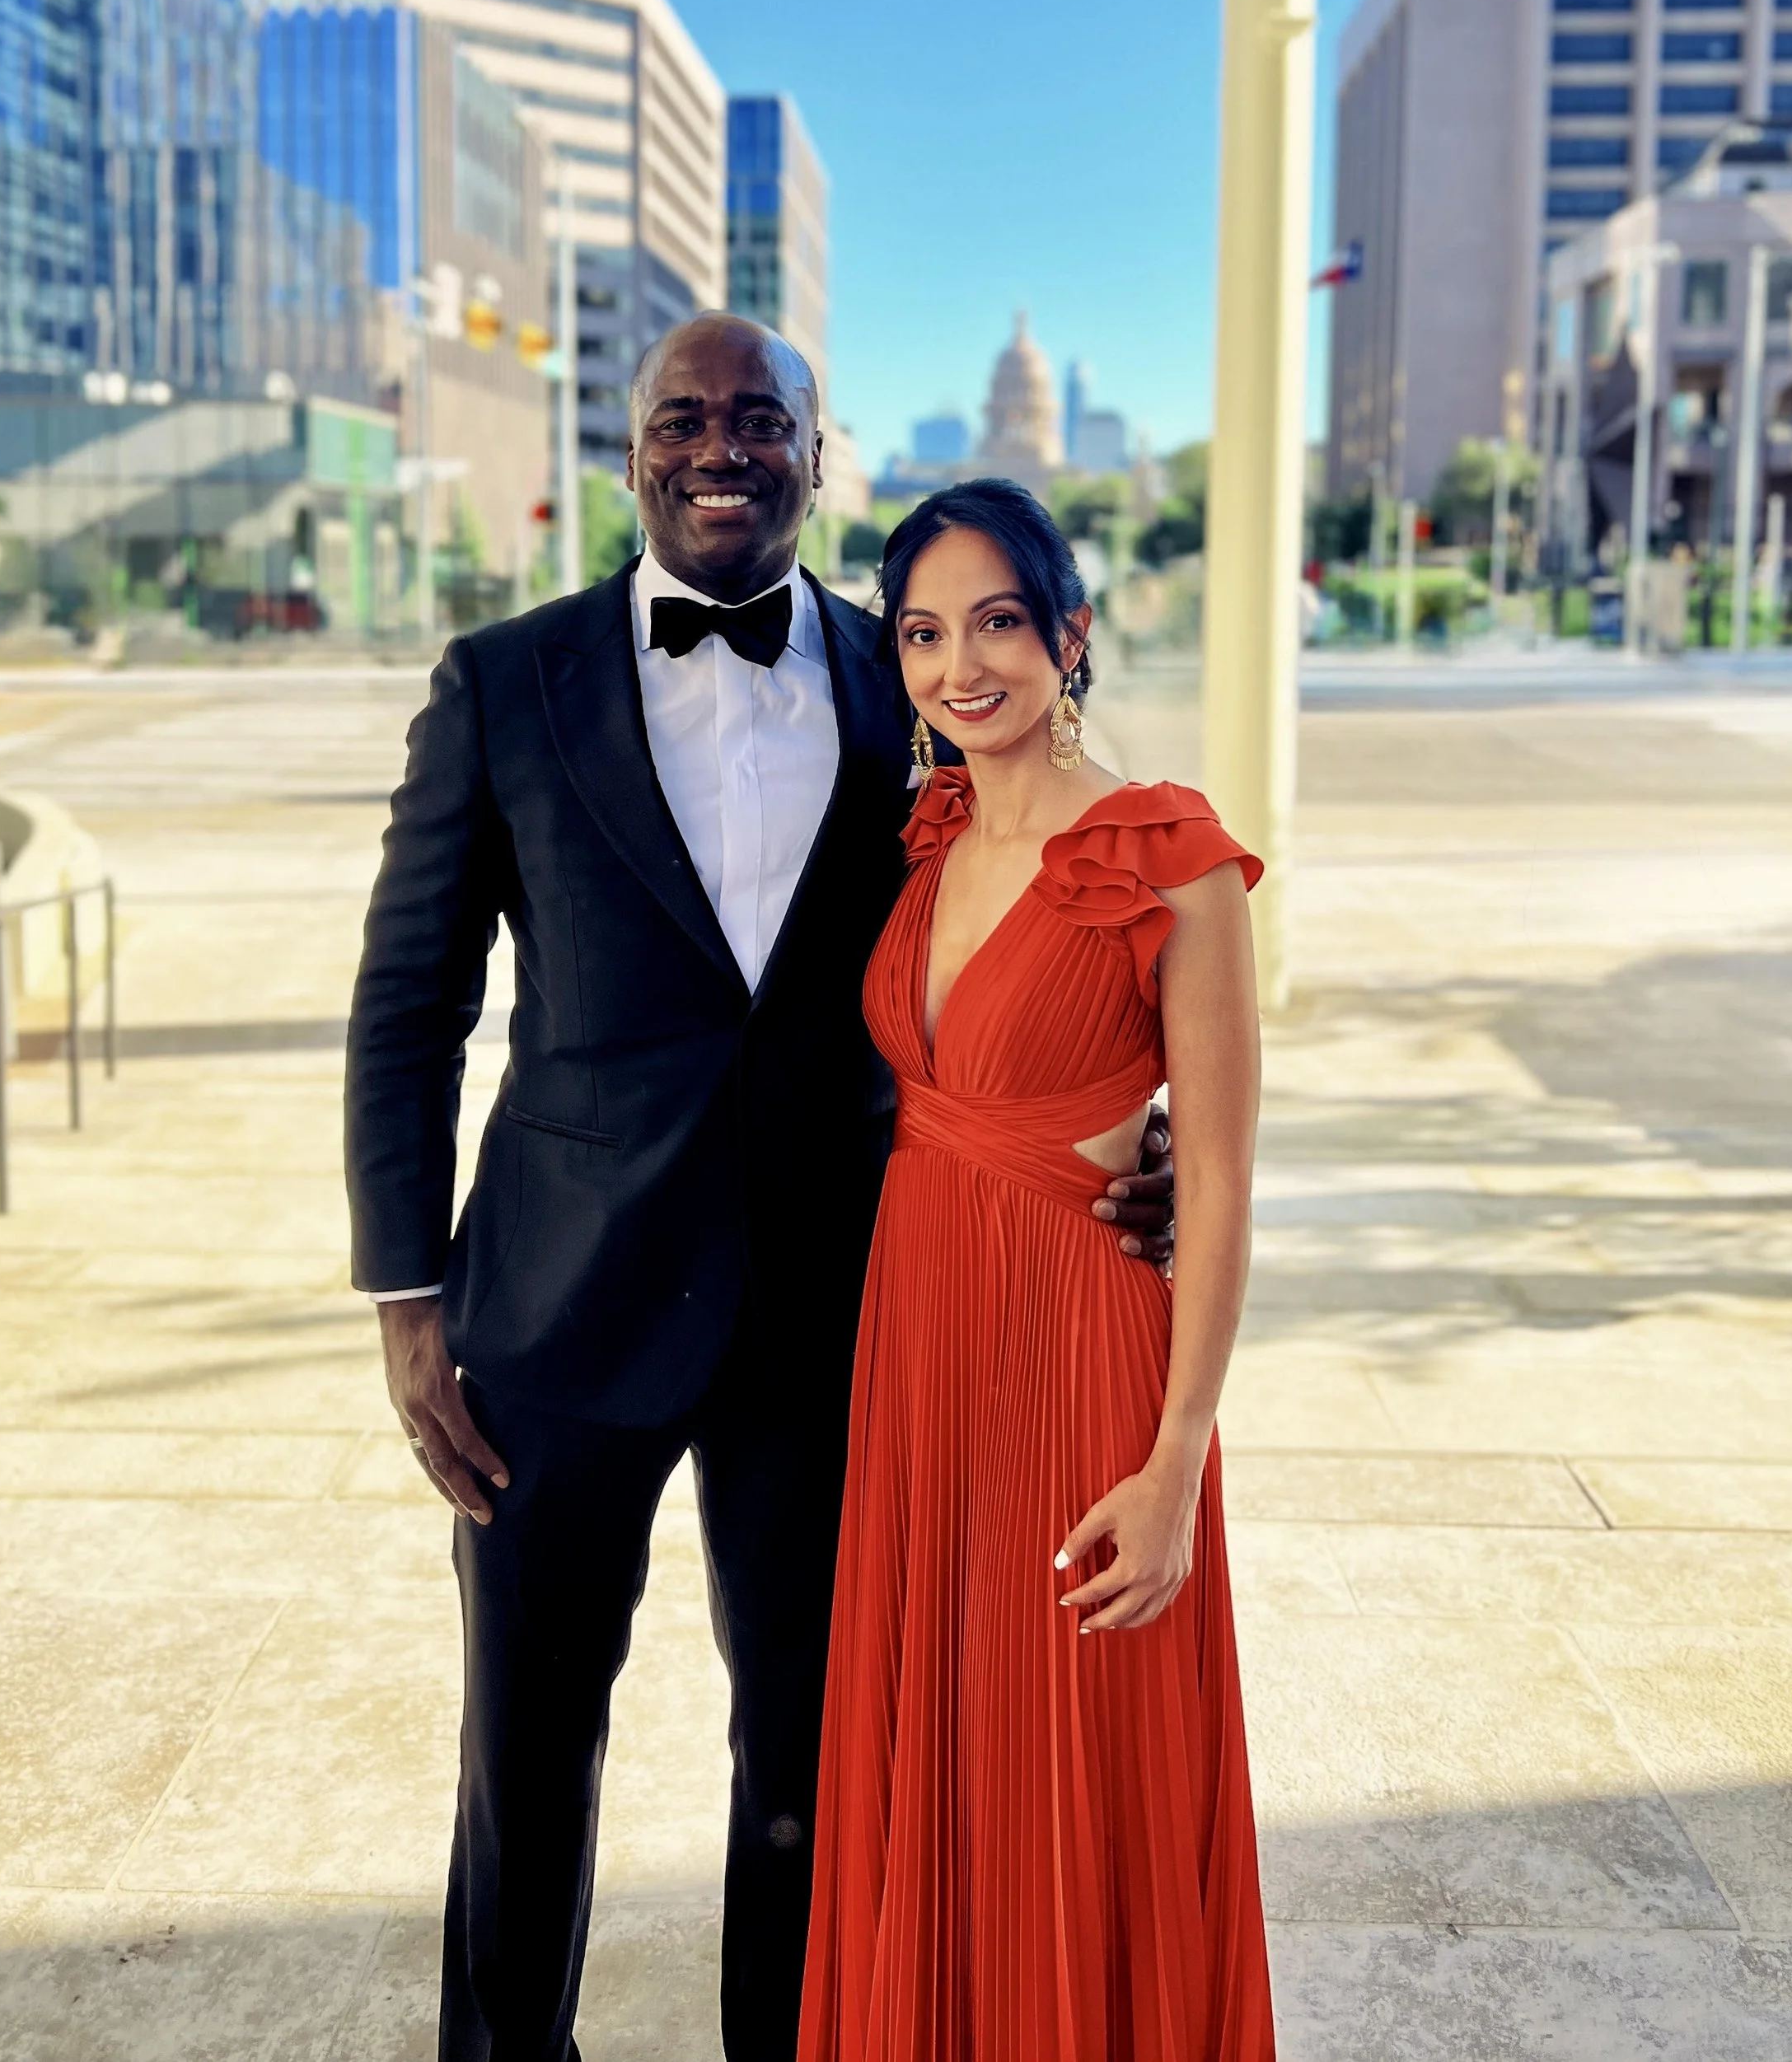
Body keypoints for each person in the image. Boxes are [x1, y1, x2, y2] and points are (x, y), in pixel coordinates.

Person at [343, 318, 1171, 2062]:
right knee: (524, 1742)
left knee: (809, 1741)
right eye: (681, 419)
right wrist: (406, 1299)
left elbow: (1038, 907)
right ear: (632, 450)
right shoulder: (502, 680)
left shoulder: (912, 678)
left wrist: (1132, 1126)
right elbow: (410, 1002)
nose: (719, 448)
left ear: (814, 450)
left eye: (759, 420)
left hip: (835, 1303)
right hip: (555, 1308)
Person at [798, 479, 1276, 2062]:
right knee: (938, 1739)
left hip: (1079, 1351)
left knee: (1070, 1748)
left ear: (1071, 633)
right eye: (924, 634)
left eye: (998, 622)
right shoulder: (931, 836)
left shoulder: (1167, 854)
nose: (961, 667)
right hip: (918, 1340)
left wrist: (1177, 1461)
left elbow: (1220, 1180)